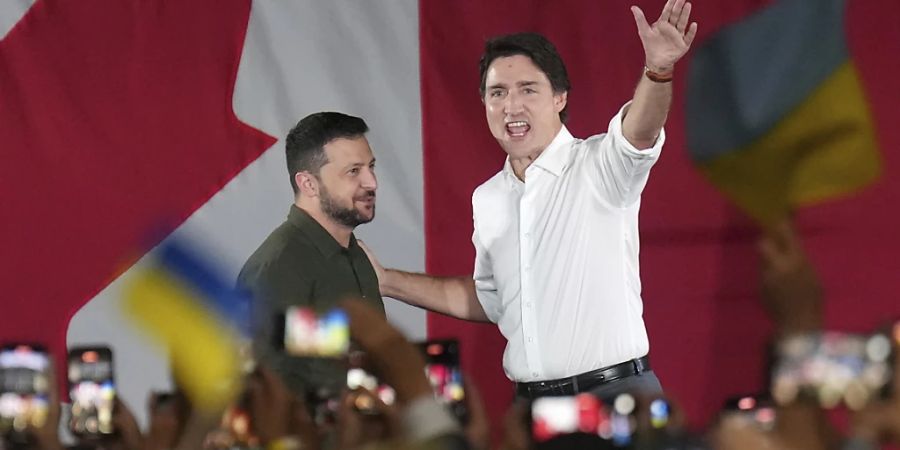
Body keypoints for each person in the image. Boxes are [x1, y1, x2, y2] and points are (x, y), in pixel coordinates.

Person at [361, 0, 698, 401]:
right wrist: (386, 281)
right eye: (497, 92)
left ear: (559, 98)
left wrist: (658, 70)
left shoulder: (600, 165)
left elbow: (640, 131)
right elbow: (491, 300)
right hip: (533, 405)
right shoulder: (487, 198)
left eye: (527, 89)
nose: (511, 106)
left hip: (617, 396)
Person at [237, 111, 384, 395]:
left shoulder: (357, 257)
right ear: (308, 184)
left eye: (371, 167)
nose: (372, 182)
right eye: (353, 171)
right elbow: (264, 392)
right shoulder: (278, 267)